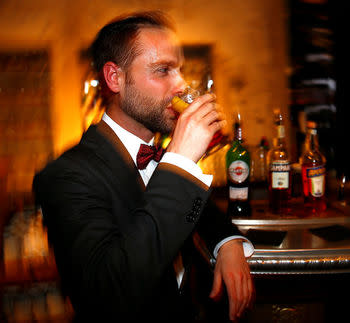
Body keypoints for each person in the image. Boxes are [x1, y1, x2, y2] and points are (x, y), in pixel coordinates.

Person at [33, 11, 254, 322]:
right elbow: (110, 293)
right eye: (162, 70)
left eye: (179, 70)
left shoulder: (161, 155)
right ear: (115, 78)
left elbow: (200, 210)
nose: (180, 85)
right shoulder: (66, 176)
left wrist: (227, 242)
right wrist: (179, 160)